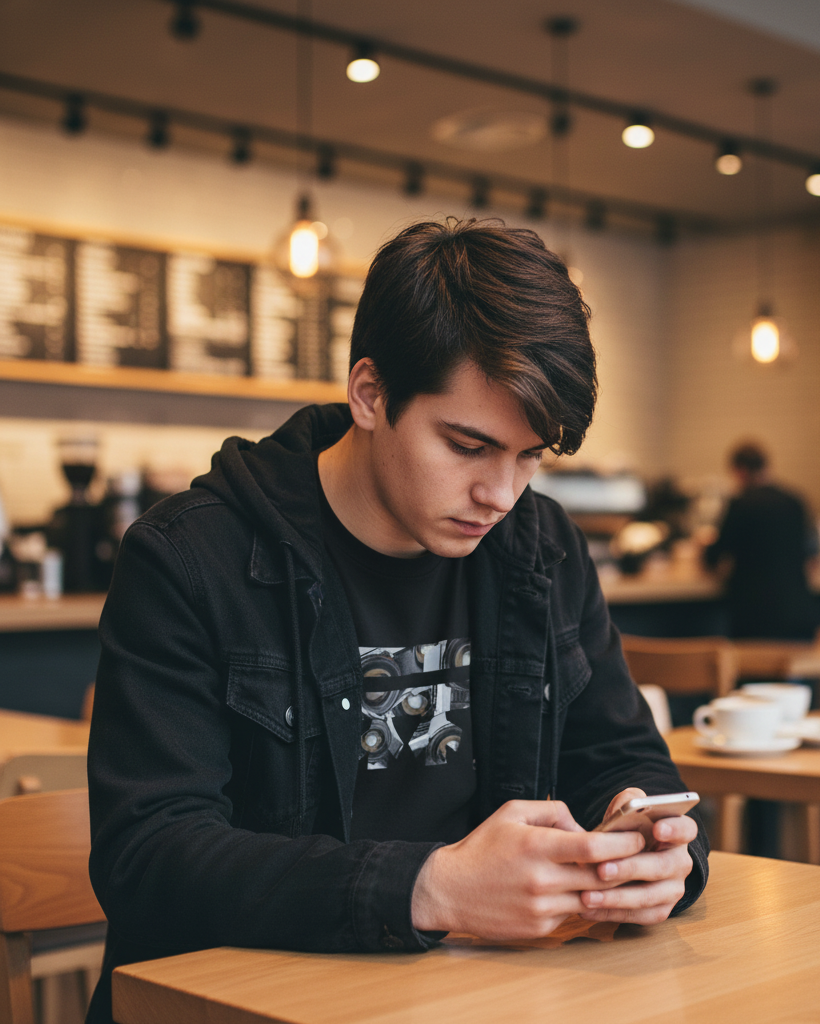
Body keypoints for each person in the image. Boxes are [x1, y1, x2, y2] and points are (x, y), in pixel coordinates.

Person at [86, 219, 708, 1024]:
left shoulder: (541, 547)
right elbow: (148, 857)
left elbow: (622, 757)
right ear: (371, 394)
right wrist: (430, 888)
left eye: (529, 456)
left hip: (477, 999)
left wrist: (653, 850)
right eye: (468, 446)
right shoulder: (189, 558)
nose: (501, 494)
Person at [705, 441, 819, 640]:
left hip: (754, 619)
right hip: (798, 616)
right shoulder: (795, 501)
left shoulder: (740, 505)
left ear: (740, 471)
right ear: (766, 466)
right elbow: (811, 553)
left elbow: (713, 557)